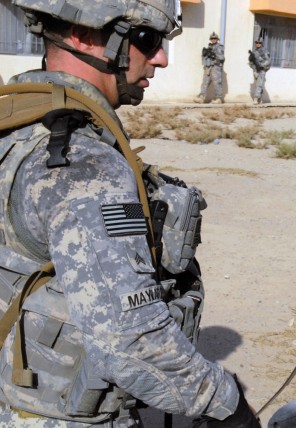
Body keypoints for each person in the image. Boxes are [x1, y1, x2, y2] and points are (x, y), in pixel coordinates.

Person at [0, 0, 259, 426]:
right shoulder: (84, 166)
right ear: (84, 36)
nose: (161, 57)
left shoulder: (20, 124)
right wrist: (227, 404)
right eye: (147, 39)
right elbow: (131, 339)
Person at [194, 32, 225, 104]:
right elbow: (205, 57)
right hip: (208, 66)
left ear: (217, 39)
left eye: (215, 38)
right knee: (205, 82)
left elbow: (221, 58)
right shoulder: (209, 47)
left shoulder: (219, 47)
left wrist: (214, 55)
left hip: (216, 67)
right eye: (212, 38)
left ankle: (219, 98)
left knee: (217, 82)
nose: (213, 40)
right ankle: (201, 97)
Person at [248, 38, 271, 104]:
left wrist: (261, 65)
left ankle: (256, 98)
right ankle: (259, 99)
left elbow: (268, 61)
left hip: (262, 70)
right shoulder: (254, 52)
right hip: (256, 70)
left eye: (259, 43)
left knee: (259, 84)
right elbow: (251, 62)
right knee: (258, 84)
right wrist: (253, 66)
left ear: (262, 44)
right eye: (257, 43)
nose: (258, 44)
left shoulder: (264, 51)